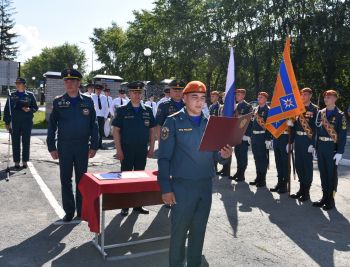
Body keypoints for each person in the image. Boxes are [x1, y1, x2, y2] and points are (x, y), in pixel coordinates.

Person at [157, 80, 233, 267]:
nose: (199, 102)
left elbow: (214, 154)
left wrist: (223, 155)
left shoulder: (209, 123)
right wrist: (166, 188)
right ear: (184, 99)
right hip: (182, 186)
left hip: (205, 185)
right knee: (179, 233)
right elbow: (164, 158)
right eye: (194, 97)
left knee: (199, 231)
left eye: (202, 98)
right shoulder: (173, 121)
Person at [47, 68, 99, 222]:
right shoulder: (58, 102)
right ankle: (69, 211)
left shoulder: (88, 101)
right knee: (65, 179)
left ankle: (81, 210)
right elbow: (52, 126)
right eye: (66, 81)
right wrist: (52, 146)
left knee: (82, 179)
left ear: (79, 83)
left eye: (73, 81)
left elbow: (94, 125)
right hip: (65, 146)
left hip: (83, 146)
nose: (69, 84)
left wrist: (94, 145)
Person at [112, 81, 156, 216]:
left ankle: (138, 205)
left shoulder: (147, 110)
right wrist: (118, 150)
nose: (137, 95)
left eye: (139, 92)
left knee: (140, 176)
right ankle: (125, 205)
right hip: (126, 149)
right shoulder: (122, 110)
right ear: (129, 94)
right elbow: (116, 131)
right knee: (125, 177)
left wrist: (151, 148)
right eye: (134, 92)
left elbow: (152, 131)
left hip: (142, 149)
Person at [313, 90, 347, 210]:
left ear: (335, 99)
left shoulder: (340, 115)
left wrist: (340, 152)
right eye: (325, 97)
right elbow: (316, 131)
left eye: (329, 97)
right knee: (323, 173)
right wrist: (315, 147)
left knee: (331, 175)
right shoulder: (320, 112)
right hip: (321, 147)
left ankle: (331, 200)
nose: (326, 99)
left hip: (332, 148)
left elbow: (342, 135)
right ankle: (324, 197)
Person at [289, 88, 318, 201]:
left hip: (307, 140)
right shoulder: (297, 109)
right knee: (299, 165)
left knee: (307, 166)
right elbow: (294, 126)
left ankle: (306, 192)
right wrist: (291, 142)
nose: (303, 96)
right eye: (301, 94)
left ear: (310, 95)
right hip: (298, 140)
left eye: (305, 94)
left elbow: (316, 129)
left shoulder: (315, 109)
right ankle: (301, 189)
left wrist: (313, 144)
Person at [3, 77, 38, 169]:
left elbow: (35, 107)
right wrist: (7, 122)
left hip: (27, 122)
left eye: (19, 83)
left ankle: (25, 161)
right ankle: (17, 161)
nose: (17, 85)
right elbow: (7, 109)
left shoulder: (30, 95)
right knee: (15, 142)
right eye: (16, 83)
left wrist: (29, 109)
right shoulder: (12, 95)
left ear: (24, 85)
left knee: (26, 142)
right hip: (15, 122)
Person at [249, 92, 271, 187]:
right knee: (256, 158)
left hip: (262, 137)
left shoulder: (268, 110)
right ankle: (258, 177)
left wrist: (268, 139)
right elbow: (251, 124)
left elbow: (269, 126)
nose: (259, 98)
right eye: (258, 97)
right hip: (254, 137)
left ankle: (263, 179)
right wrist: (250, 136)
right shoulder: (255, 109)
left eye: (261, 97)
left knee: (262, 159)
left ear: (266, 99)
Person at [230, 88, 253, 181]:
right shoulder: (235, 106)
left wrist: (247, 134)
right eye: (236, 94)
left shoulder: (248, 106)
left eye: (239, 94)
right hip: (236, 135)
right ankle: (238, 172)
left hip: (243, 135)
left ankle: (242, 174)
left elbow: (249, 121)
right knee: (237, 153)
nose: (237, 96)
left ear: (243, 95)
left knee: (243, 155)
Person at [91, 84, 109, 149]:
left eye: (99, 90)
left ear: (101, 90)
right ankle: (94, 145)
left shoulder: (104, 97)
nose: (98, 91)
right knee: (94, 131)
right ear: (94, 90)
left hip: (102, 116)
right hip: (94, 116)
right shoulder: (91, 97)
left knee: (101, 131)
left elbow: (107, 107)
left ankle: (100, 144)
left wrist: (105, 116)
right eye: (97, 90)